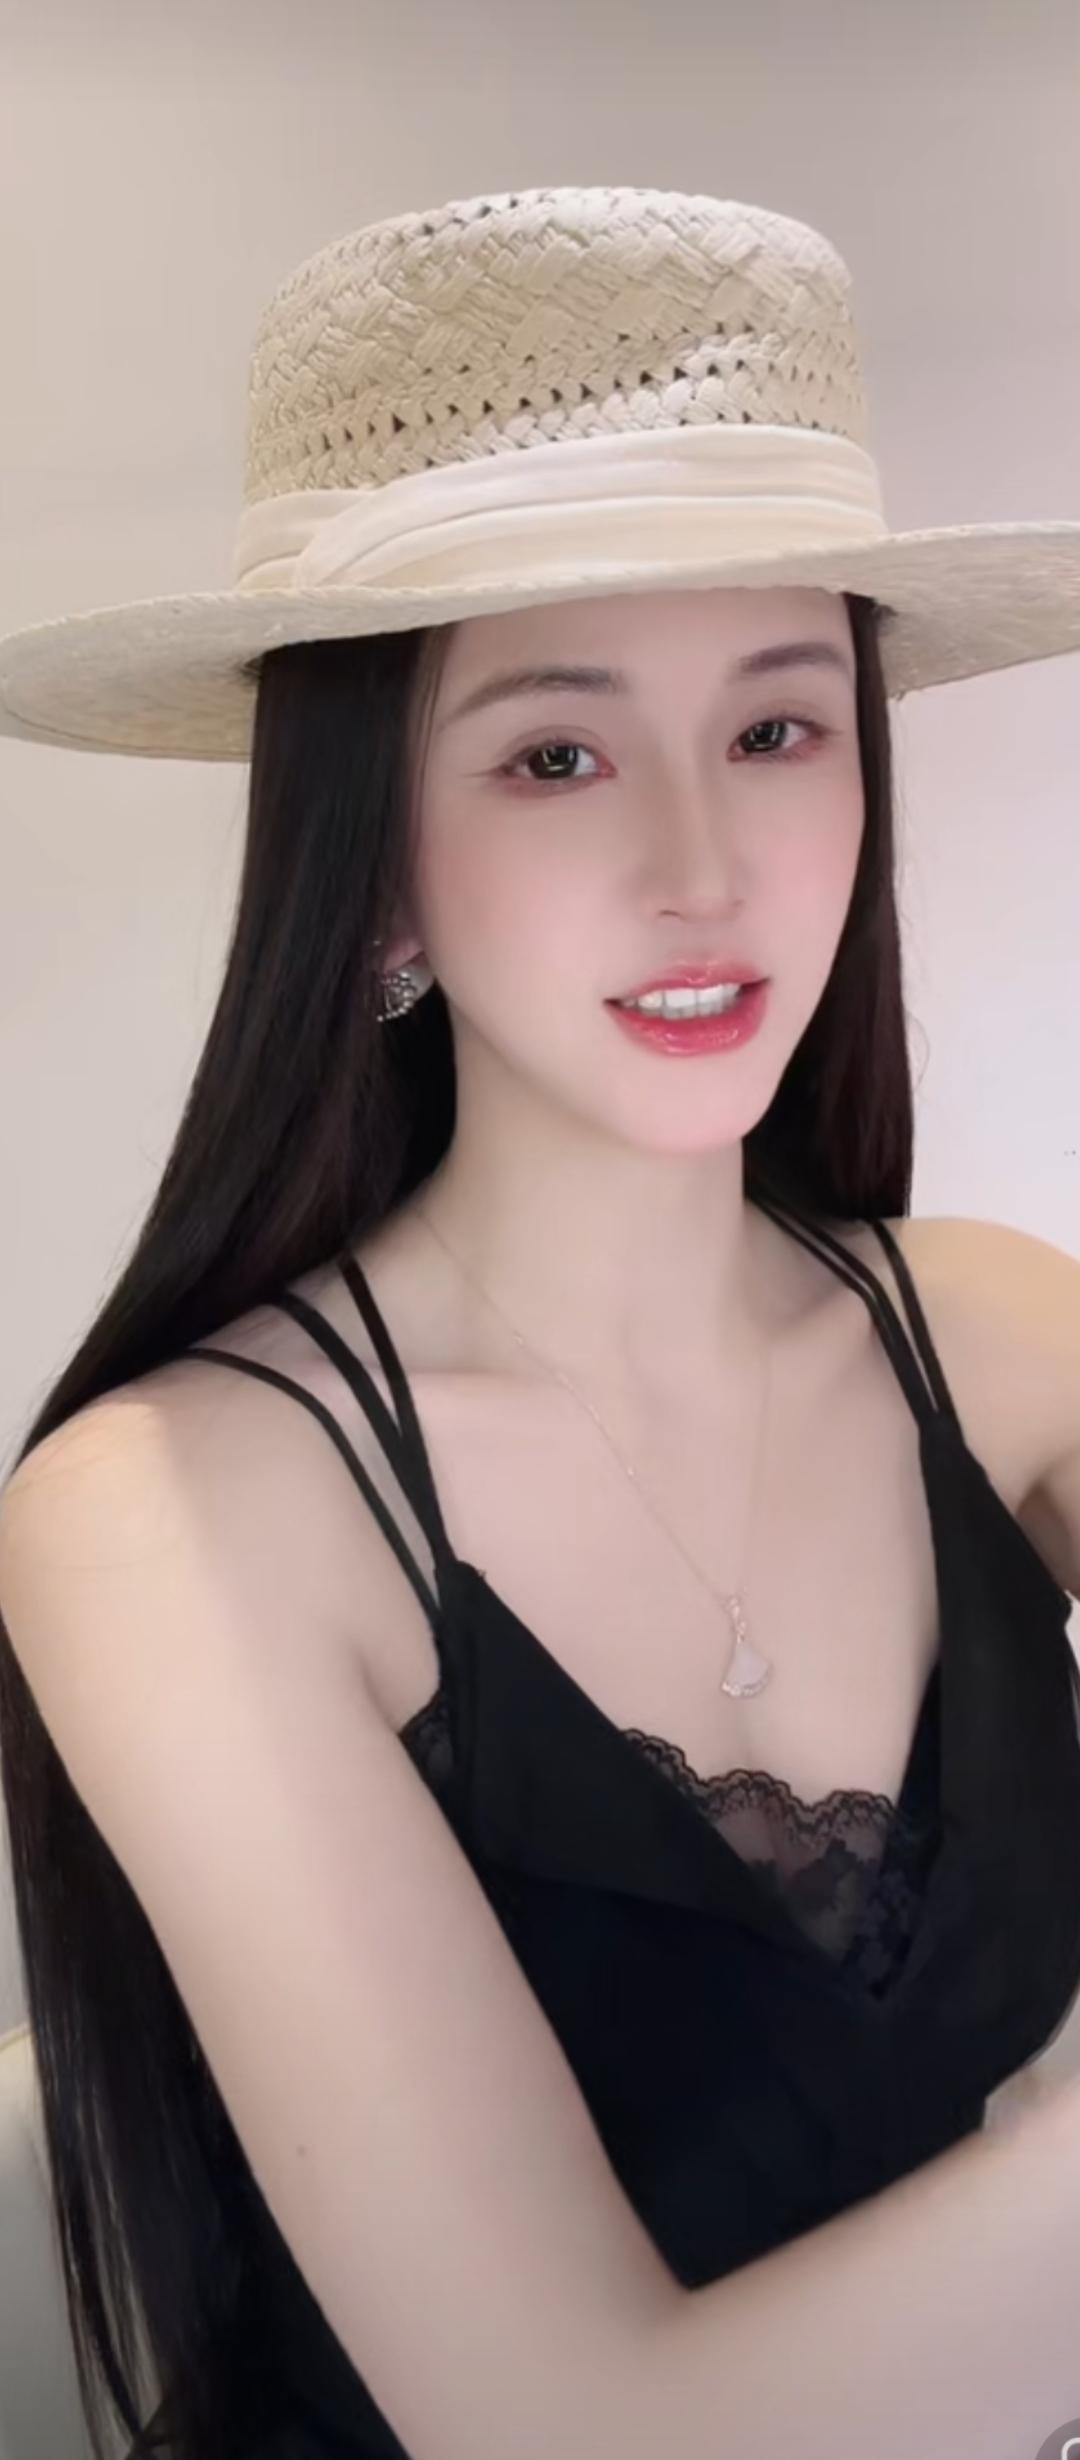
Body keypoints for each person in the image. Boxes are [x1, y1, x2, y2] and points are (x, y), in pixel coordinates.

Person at [1, 183, 1080, 2460]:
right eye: (558, 756)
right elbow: (563, 2428)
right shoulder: (174, 1514)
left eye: (779, 730)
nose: (704, 866)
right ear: (373, 856)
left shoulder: (1000, 1340)